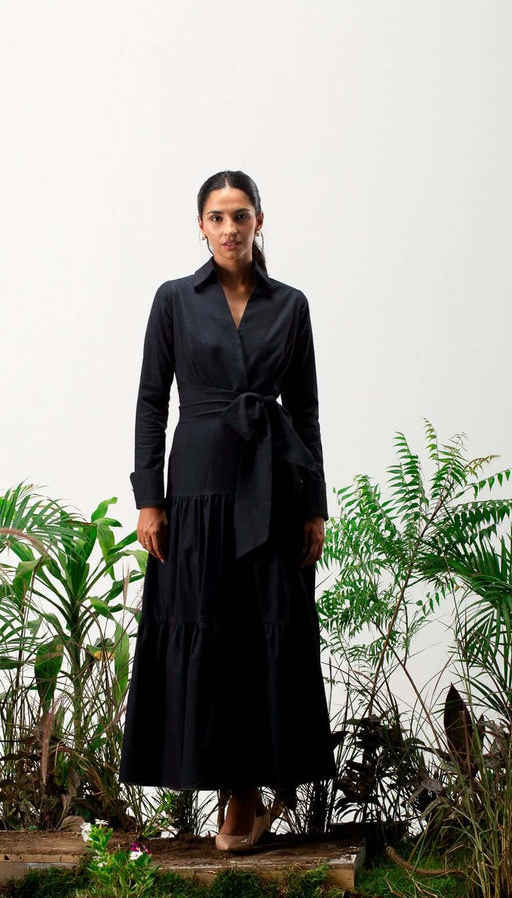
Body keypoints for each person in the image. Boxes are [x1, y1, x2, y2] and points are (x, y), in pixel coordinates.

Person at [118, 170, 336, 851]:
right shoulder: (174, 300)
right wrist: (148, 498)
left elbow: (305, 410)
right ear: (202, 226)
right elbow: (151, 401)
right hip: (197, 486)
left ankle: (247, 794)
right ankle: (224, 787)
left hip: (272, 488)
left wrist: (315, 506)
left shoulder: (290, 305)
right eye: (217, 216)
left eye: (241, 215)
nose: (230, 228)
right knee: (204, 625)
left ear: (259, 222)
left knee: (260, 630)